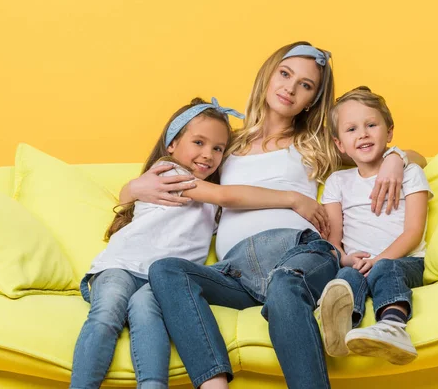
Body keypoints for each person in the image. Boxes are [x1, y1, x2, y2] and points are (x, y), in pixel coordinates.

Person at [120, 42, 427, 389]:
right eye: (285, 74)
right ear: (268, 75)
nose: (290, 88)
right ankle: (213, 382)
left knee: (285, 284)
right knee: (167, 271)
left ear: (312, 99)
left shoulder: (315, 143)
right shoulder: (226, 146)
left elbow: (413, 155)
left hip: (299, 252)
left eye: (306, 85)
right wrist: (132, 189)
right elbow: (177, 180)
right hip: (237, 271)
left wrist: (394, 159)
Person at [70, 97, 327, 389]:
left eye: (218, 148)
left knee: (147, 318)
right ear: (171, 145)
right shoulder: (171, 173)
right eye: (199, 143)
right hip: (123, 264)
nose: (208, 154)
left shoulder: (208, 201)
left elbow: (223, 205)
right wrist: (293, 198)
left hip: (158, 280)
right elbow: (227, 196)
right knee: (107, 313)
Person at [317, 86, 432, 366]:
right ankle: (341, 329)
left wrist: (379, 259)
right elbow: (334, 237)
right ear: (340, 144)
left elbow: (413, 232)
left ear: (389, 132)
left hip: (404, 261)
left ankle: (393, 326)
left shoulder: (410, 172)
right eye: (352, 129)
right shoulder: (337, 182)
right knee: (345, 276)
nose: (363, 134)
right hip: (360, 264)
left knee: (384, 269)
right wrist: (344, 257)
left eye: (371, 125)